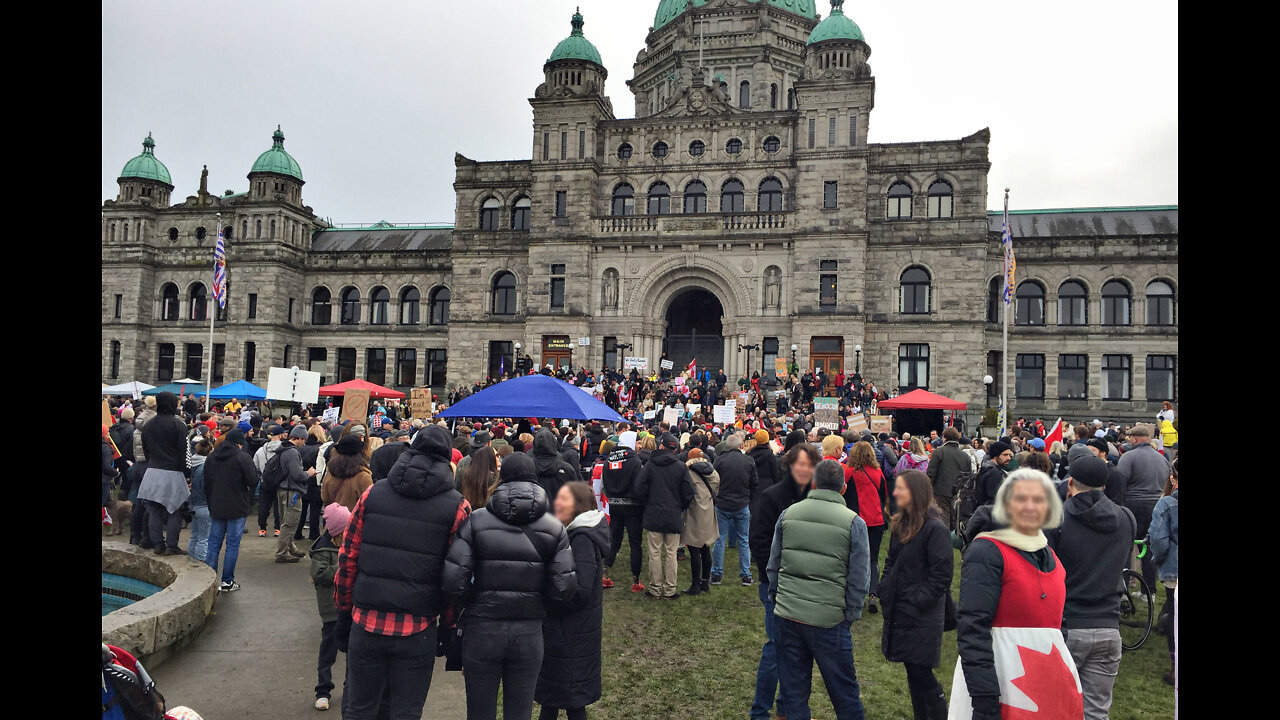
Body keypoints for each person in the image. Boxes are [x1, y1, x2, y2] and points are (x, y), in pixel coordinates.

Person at [334, 425, 471, 720]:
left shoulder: (373, 493)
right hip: (418, 626)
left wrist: (343, 613)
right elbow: (455, 577)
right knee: (406, 711)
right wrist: (447, 626)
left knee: (359, 708)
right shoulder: (458, 507)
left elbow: (347, 558)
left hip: (367, 620)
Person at [442, 452, 576, 720]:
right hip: (528, 631)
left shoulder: (476, 521)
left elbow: (453, 580)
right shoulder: (554, 528)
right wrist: (538, 605)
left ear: (500, 480)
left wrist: (473, 602)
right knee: (520, 711)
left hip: (482, 628)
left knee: (479, 711)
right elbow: (565, 587)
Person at [952, 469, 1082, 720]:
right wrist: (985, 701)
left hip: (1048, 682)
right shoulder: (986, 552)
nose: (1031, 507)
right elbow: (972, 629)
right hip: (1001, 679)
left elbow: (1059, 624)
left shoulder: (1050, 556)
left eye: (1039, 499)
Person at [767, 459, 870, 720]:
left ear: (814, 483)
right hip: (829, 620)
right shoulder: (854, 522)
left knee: (793, 693)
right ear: (843, 488)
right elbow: (860, 578)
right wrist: (850, 614)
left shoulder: (789, 513)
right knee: (845, 695)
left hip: (790, 615)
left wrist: (777, 598)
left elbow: (774, 565)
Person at [1043, 455, 1135, 720]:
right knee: (1096, 712)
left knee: (1055, 708)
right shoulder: (1125, 519)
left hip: (1068, 624)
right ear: (1104, 486)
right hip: (1108, 627)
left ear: (1070, 483)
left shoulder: (1056, 521)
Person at [748, 442, 818, 720]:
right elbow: (759, 541)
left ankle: (787, 709)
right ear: (790, 465)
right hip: (777, 584)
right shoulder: (772, 496)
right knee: (776, 648)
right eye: (800, 464)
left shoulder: (816, 496)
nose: (804, 469)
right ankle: (760, 712)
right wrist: (773, 577)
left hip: (807, 584)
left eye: (809, 465)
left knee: (800, 651)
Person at [879, 469, 952, 720]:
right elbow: (890, 560)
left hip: (921, 615)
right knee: (913, 672)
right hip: (901, 609)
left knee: (921, 673)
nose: (895, 493)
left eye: (901, 488)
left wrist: (918, 601)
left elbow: (941, 575)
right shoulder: (903, 523)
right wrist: (885, 586)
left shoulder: (935, 529)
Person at [535, 482, 609, 720]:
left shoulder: (582, 539)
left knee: (569, 697)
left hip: (571, 632)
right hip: (569, 631)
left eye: (564, 499)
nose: (557, 503)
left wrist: (549, 599)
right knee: (556, 696)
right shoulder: (576, 533)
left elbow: (579, 591)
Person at [634, 433, 695, 600]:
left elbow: (639, 488)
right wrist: (679, 506)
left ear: (662, 447)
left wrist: (648, 502)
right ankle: (669, 589)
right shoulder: (680, 467)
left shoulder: (651, 465)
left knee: (655, 553)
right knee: (671, 553)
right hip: (673, 514)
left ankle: (655, 589)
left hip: (655, 514)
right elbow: (689, 492)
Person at [203, 429, 259, 592]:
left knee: (213, 544)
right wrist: (248, 499)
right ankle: (227, 581)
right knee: (232, 546)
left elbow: (206, 482)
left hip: (216, 505)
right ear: (239, 443)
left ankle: (209, 583)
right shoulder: (243, 458)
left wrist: (210, 503)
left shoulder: (212, 457)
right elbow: (253, 480)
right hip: (237, 506)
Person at [1115, 424, 1169, 589]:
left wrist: (1119, 507)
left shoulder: (1128, 457)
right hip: (1156, 506)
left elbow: (1120, 483)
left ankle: (1124, 588)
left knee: (1126, 547)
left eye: (1131, 438)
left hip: (1133, 505)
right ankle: (1149, 590)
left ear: (1135, 439)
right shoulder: (1162, 458)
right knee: (1148, 549)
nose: (1130, 440)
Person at [136, 392, 190, 556]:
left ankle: (157, 545)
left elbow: (145, 449)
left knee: (154, 511)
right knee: (174, 510)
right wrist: (187, 473)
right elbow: (184, 451)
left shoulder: (148, 425)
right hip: (172, 472)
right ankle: (172, 545)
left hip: (152, 471)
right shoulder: (178, 425)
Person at [310, 502, 350, 712]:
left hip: (348, 609)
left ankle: (350, 689)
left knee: (353, 652)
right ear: (337, 533)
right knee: (328, 652)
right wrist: (343, 566)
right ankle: (323, 690)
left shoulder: (348, 545)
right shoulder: (323, 549)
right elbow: (319, 574)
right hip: (331, 611)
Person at [845, 441, 889, 615]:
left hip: (854, 520)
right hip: (876, 520)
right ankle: (872, 594)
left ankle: (856, 595)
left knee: (852, 558)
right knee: (872, 559)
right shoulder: (878, 473)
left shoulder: (848, 473)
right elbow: (884, 495)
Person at [710, 432, 758, 586]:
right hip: (741, 504)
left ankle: (716, 574)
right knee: (744, 540)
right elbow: (754, 484)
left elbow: (714, 482)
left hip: (723, 504)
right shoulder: (748, 461)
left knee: (720, 540)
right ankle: (746, 575)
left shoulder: (720, 461)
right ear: (740, 446)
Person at [601, 437, 646, 592]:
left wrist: (612, 497)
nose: (639, 446)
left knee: (614, 539)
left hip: (614, 505)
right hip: (633, 506)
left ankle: (605, 574)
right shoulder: (635, 461)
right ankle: (636, 580)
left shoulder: (608, 461)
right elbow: (640, 484)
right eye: (638, 443)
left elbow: (603, 484)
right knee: (635, 543)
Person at [1148, 457, 1178, 686]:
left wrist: (1158, 560)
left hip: (1174, 569)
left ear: (1172, 478)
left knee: (1174, 620)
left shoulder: (1167, 504)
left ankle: (1175, 667)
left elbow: (1159, 540)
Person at [269, 425, 317, 563]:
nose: (304, 443)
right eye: (304, 440)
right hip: (292, 491)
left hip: (283, 489)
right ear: (300, 438)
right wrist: (309, 473)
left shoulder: (284, 449)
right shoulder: (292, 452)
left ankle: (290, 547)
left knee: (287, 521)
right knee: (290, 522)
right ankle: (282, 552)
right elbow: (298, 475)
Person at [681, 448, 720, 596]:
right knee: (705, 548)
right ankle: (705, 582)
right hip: (708, 511)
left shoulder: (688, 473)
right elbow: (716, 489)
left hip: (694, 512)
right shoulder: (713, 473)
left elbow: (686, 493)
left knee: (694, 548)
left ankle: (695, 584)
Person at [926, 427, 970, 529]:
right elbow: (968, 476)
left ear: (944, 438)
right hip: (959, 492)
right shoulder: (965, 455)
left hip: (941, 491)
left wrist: (928, 490)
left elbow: (931, 473)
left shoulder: (938, 452)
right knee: (955, 519)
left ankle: (944, 540)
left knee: (943, 519)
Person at [322, 432, 375, 514]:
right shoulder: (363, 476)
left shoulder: (331, 471)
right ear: (360, 452)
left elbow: (325, 497)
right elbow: (369, 503)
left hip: (333, 520)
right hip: (353, 522)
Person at [254, 424, 288, 537]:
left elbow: (255, 466)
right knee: (278, 506)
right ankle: (277, 529)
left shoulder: (260, 450)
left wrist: (262, 475)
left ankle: (262, 528)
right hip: (280, 482)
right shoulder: (285, 450)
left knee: (263, 505)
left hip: (265, 481)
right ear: (280, 435)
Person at [532, 428, 580, 501]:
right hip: (561, 509)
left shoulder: (529, 468)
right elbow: (575, 495)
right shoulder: (566, 468)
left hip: (537, 509)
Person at [186, 439, 213, 565]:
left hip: (193, 503)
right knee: (204, 537)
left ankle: (191, 559)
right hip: (204, 503)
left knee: (194, 534)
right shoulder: (205, 467)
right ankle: (201, 562)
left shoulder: (192, 464)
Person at [460, 445, 500, 512]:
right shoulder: (495, 480)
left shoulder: (468, 475)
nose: (499, 458)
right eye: (496, 455)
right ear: (490, 458)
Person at [974, 442, 1012, 509]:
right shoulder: (994, 472)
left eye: (1009, 455)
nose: (1009, 458)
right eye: (1005, 455)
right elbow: (994, 498)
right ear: (995, 456)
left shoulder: (986, 467)